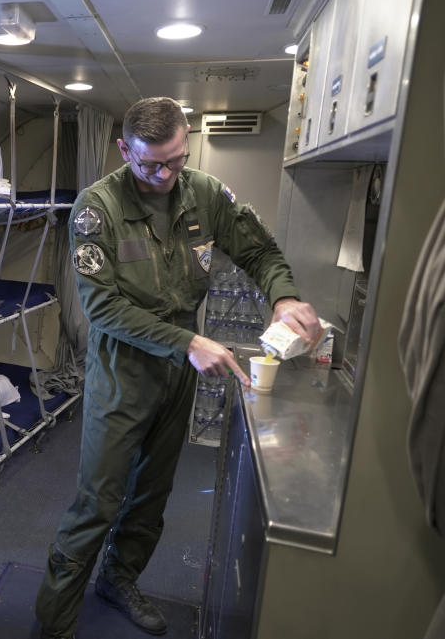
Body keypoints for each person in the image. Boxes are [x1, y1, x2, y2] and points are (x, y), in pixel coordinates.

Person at [35, 97, 321, 638]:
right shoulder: (97, 209)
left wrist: (283, 298)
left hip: (177, 376)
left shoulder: (207, 195)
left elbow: (260, 253)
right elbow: (103, 309)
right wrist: (189, 340)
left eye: (176, 160)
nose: (164, 175)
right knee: (99, 501)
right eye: (150, 164)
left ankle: (118, 580)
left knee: (151, 494)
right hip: (123, 374)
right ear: (125, 150)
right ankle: (54, 619)